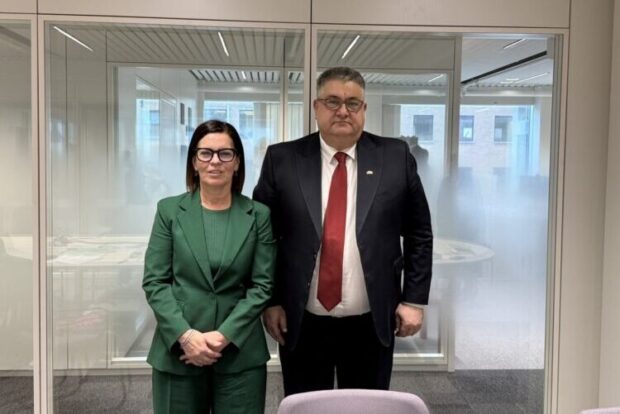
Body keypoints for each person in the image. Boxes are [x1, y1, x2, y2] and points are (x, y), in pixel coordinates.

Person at [253, 66, 433, 395]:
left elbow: (419, 233)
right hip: (301, 318)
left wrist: (413, 299)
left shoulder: (395, 157)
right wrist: (271, 301)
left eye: (353, 103)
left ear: (364, 109)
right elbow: (263, 238)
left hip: (372, 318)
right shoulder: (283, 159)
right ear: (316, 107)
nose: (342, 111)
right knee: (307, 405)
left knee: (366, 405)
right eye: (332, 101)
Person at [142, 120, 276, 414]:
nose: (215, 161)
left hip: (240, 352)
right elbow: (155, 281)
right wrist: (186, 336)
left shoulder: (258, 215)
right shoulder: (169, 211)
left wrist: (223, 336)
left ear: (237, 162)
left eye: (225, 153)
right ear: (194, 162)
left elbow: (262, 286)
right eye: (206, 153)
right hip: (178, 351)